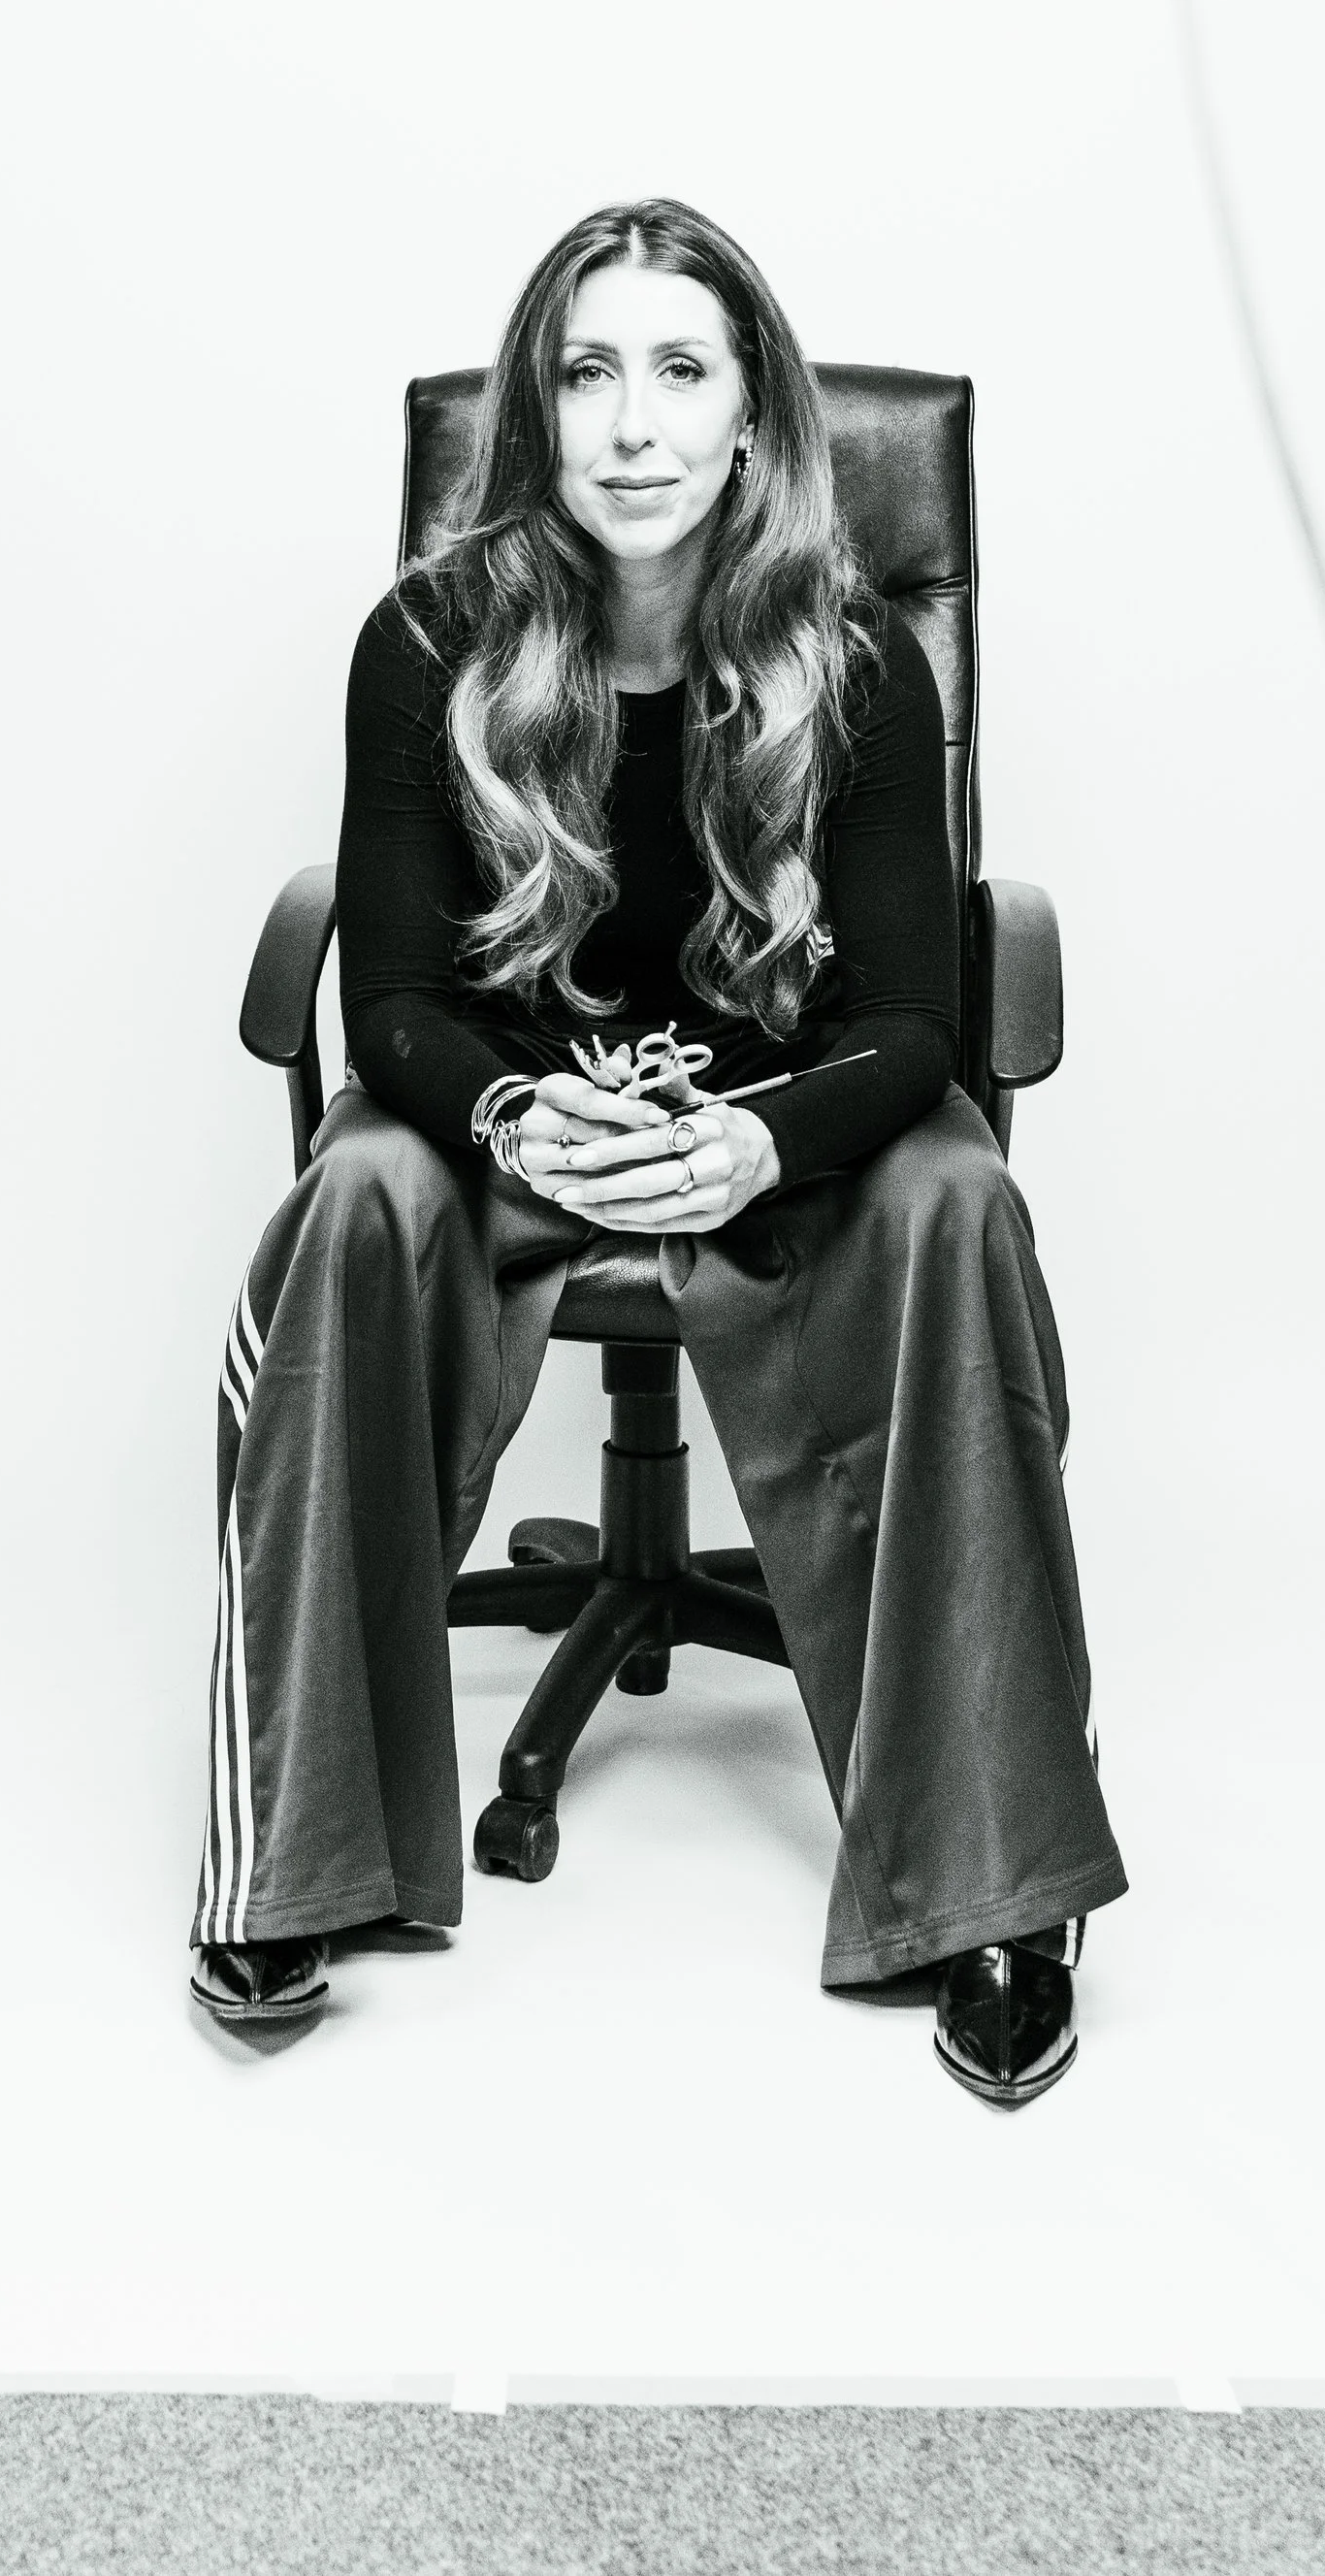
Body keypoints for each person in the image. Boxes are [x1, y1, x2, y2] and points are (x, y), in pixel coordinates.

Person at [190, 199, 1123, 2104]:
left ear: (750, 410)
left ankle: (995, 1890)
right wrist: (518, 1113)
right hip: (510, 1125)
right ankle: (293, 1857)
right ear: (532, 411)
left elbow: (911, 1027)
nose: (631, 425)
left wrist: (753, 1143)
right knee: (355, 1194)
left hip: (783, 1135)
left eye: (680, 371)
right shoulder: (426, 643)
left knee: (957, 1193)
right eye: (586, 373)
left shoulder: (858, 661)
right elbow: (394, 1004)